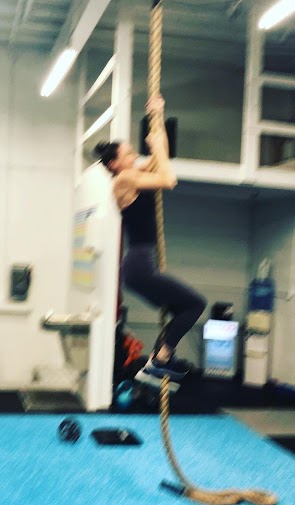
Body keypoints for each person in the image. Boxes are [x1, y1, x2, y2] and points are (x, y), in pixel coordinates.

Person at [93, 95, 207, 386]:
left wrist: (158, 116)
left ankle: (157, 362)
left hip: (140, 266)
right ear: (115, 163)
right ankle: (160, 359)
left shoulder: (130, 175)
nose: (134, 155)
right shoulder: (123, 180)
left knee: (182, 309)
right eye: (129, 154)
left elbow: (160, 160)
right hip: (139, 266)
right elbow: (168, 179)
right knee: (196, 304)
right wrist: (156, 147)